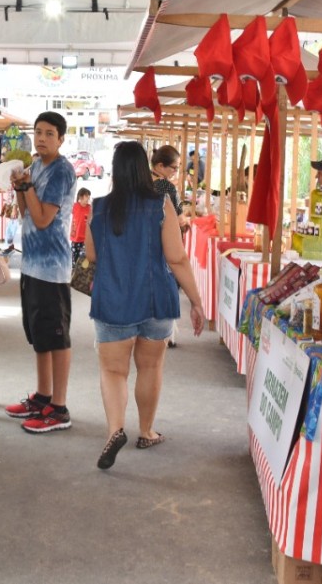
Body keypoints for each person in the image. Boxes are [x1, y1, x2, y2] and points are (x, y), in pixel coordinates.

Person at [83, 142, 205, 470]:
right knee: (150, 368)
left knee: (113, 371)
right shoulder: (161, 205)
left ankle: (115, 431)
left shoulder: (99, 207)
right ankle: (147, 431)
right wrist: (196, 302)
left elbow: (91, 255)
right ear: (143, 167)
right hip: (155, 299)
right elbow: (177, 258)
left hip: (113, 299)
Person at [5, 112, 78, 434]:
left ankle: (59, 409)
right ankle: (43, 396)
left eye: (49, 133)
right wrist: (20, 188)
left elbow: (44, 218)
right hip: (32, 264)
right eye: (38, 132)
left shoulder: (62, 170)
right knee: (39, 335)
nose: (42, 138)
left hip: (52, 269)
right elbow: (26, 214)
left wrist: (28, 187)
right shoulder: (35, 167)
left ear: (61, 139)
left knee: (57, 337)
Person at [151, 145, 187, 348]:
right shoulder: (167, 188)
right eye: (174, 168)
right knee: (168, 287)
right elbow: (180, 219)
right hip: (166, 243)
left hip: (145, 243)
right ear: (160, 166)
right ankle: (167, 334)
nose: (175, 172)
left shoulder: (140, 182)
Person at [70, 187, 92, 263]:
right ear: (80, 197)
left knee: (82, 259)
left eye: (89, 197)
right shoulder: (75, 206)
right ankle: (73, 269)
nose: (88, 198)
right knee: (74, 259)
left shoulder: (89, 208)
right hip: (75, 238)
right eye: (86, 196)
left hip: (84, 239)